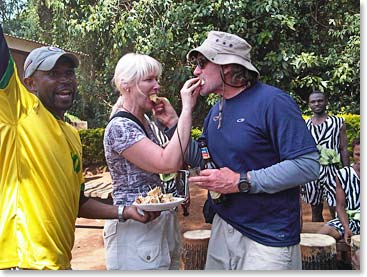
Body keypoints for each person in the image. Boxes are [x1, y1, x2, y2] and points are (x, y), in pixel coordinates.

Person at [0, 25, 159, 270]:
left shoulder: (72, 136)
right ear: (30, 83)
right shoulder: (18, 112)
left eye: (69, 73)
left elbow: (79, 203)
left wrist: (126, 211)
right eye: (53, 74)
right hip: (22, 262)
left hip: (59, 262)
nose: (65, 80)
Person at [169, 30, 320, 270]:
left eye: (202, 63)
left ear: (226, 67)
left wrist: (240, 181)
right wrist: (171, 123)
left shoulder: (272, 102)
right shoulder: (215, 112)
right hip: (224, 224)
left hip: (269, 237)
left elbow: (307, 165)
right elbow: (204, 160)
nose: (196, 71)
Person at [102, 53, 199, 270]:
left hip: (160, 223)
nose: (157, 86)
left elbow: (172, 159)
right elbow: (167, 163)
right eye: (149, 80)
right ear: (126, 85)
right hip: (135, 230)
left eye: (157, 79)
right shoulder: (120, 127)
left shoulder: (145, 121)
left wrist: (171, 122)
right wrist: (186, 111)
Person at [301, 91, 350, 221]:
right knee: (315, 207)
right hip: (312, 170)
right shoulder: (305, 125)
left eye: (320, 100)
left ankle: (340, 236)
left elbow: (343, 148)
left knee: (336, 205)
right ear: (309, 104)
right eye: (313, 101)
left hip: (332, 170)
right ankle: (319, 239)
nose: (317, 104)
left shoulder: (338, 122)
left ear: (326, 101)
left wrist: (346, 172)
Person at [318, 138, 360, 244]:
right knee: (323, 234)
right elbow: (340, 206)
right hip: (350, 220)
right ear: (353, 155)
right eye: (358, 154)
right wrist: (346, 228)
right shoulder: (343, 174)